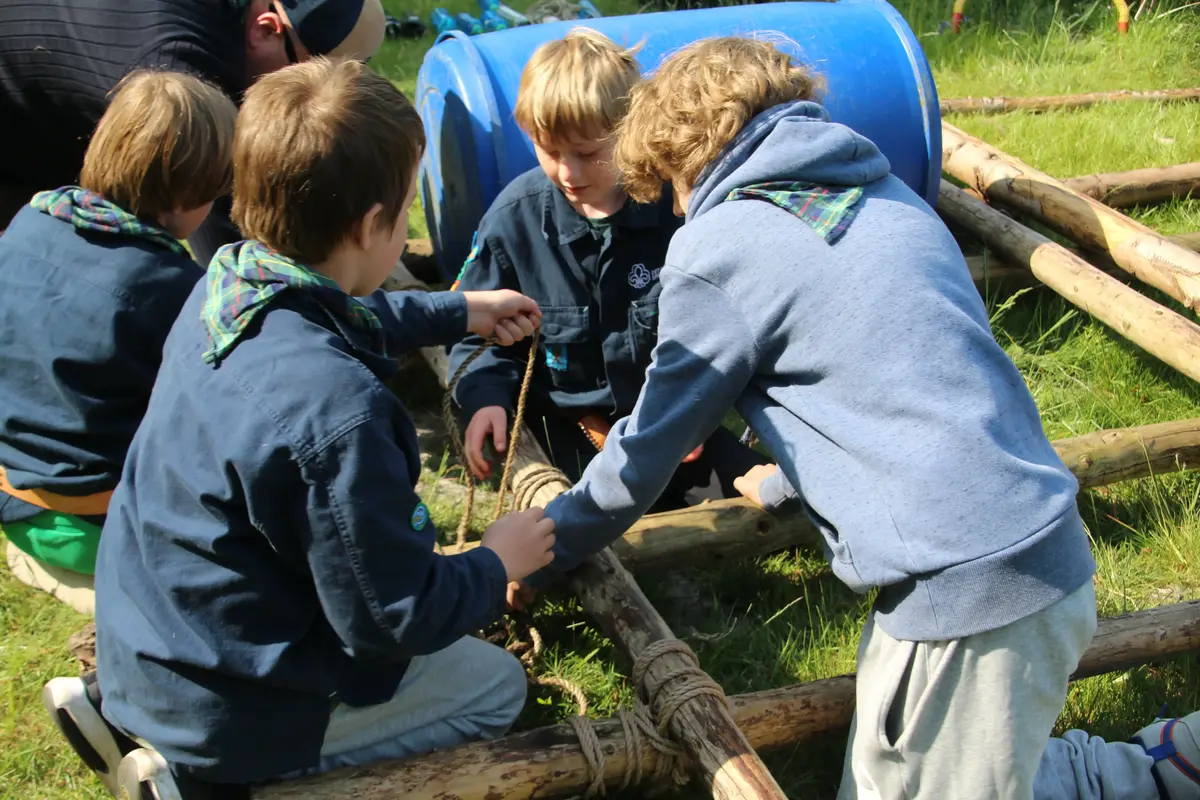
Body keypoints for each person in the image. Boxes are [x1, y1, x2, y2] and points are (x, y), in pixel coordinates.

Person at [522, 36, 1200, 800]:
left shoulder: (720, 247)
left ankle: (1153, 772)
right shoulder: (880, 190)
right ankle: (1160, 766)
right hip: (1031, 539)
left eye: (672, 189)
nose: (676, 209)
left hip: (966, 590)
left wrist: (547, 549)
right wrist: (809, 479)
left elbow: (645, 447)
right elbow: (890, 375)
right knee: (934, 767)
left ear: (681, 154)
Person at [48, 57, 554, 799]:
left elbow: (335, 313)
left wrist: (458, 308)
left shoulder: (224, 286)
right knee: (494, 687)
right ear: (372, 225)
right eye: (405, 206)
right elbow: (393, 618)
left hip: (153, 640)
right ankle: (214, 781)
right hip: (231, 700)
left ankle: (125, 713)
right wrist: (493, 564)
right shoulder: (340, 414)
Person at [447, 28, 767, 513]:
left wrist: (691, 415)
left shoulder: (673, 207)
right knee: (570, 522)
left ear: (629, 131)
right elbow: (475, 333)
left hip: (667, 419)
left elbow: (724, 325)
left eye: (588, 154)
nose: (569, 174)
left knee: (760, 488)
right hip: (569, 427)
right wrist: (485, 399)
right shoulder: (514, 221)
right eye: (550, 152)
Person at [0, 69, 238, 614]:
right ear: (186, 193)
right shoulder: (170, 289)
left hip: (17, 503)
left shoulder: (28, 225)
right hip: (99, 524)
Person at [0, 0, 386, 263]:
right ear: (266, 29)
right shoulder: (180, 80)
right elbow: (227, 247)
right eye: (299, 74)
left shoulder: (230, 18)